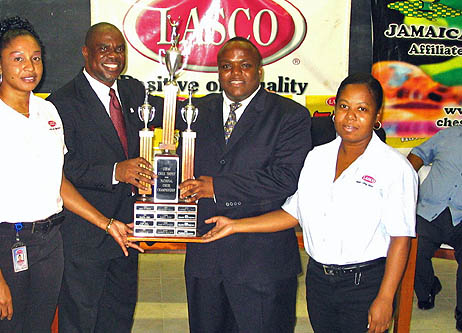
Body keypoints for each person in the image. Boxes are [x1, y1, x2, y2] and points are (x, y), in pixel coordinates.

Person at [0, 17, 140, 332]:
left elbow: (58, 181)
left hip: (46, 246)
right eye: (18, 59)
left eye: (36, 58)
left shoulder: (46, 112)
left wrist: (106, 224)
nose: (30, 67)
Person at [202, 73, 418, 333]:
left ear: (377, 115)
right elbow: (293, 214)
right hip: (319, 283)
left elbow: (400, 238)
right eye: (344, 106)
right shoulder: (317, 158)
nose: (350, 117)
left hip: (364, 285)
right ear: (334, 110)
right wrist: (235, 225)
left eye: (362, 109)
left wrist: (385, 298)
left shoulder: (394, 167)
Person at [177, 37, 312, 332]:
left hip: (262, 262)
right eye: (226, 66)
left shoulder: (290, 115)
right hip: (205, 258)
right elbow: (182, 169)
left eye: (245, 66)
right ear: (218, 72)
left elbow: (286, 179)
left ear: (260, 70)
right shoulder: (194, 112)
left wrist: (218, 188)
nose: (235, 73)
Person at [47, 22, 161, 332]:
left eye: (119, 49)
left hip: (127, 229)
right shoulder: (61, 102)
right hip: (85, 233)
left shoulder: (134, 90)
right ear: (85, 52)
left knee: (119, 313)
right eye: (104, 48)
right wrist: (115, 171)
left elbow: (170, 114)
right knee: (81, 318)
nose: (113, 55)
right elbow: (61, 167)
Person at [408, 126, 462, 332]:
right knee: (412, 249)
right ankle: (429, 288)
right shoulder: (448, 135)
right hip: (430, 210)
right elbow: (418, 153)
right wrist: (404, 180)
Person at [310, 113, 386, 148]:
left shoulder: (377, 136)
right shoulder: (314, 128)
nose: (351, 115)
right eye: (344, 106)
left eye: (361, 109)